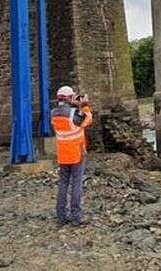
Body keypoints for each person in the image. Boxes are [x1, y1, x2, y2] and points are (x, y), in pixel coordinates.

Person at [50, 85, 93, 226]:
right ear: (70, 98)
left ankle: (61, 216)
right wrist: (84, 105)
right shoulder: (74, 113)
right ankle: (76, 215)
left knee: (63, 184)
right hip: (77, 153)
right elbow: (88, 120)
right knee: (76, 183)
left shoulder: (53, 114)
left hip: (62, 155)